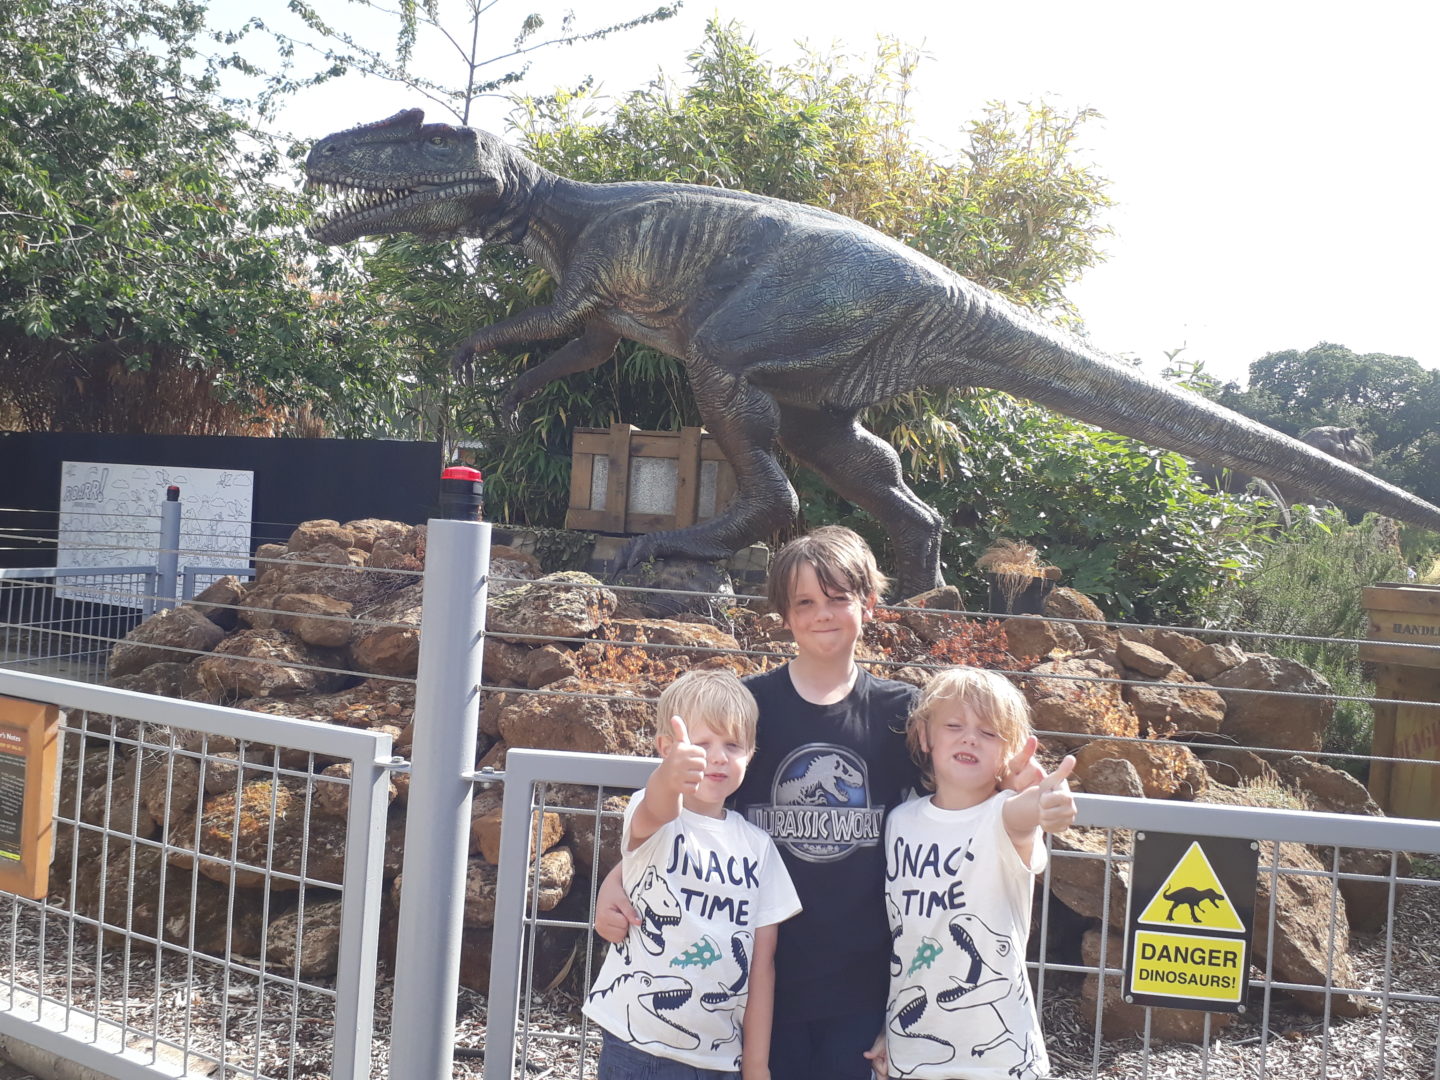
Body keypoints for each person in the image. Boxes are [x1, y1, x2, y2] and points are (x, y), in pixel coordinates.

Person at [596, 526, 1073, 1079]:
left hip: (860, 986)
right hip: (754, 985)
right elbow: (682, 815)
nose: (822, 613)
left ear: (868, 604)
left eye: (838, 598)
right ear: (784, 614)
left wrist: (1018, 789)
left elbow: (963, 815)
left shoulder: (905, 716)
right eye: (805, 601)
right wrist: (619, 876)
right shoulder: (746, 710)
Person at [582, 668, 801, 1080]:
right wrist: (669, 775)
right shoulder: (656, 817)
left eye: (733, 745)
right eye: (701, 744)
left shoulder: (759, 846)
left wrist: (756, 1064)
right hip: (637, 1045)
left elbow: (762, 963)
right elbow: (657, 805)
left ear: (751, 753)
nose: (717, 756)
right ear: (667, 748)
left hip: (720, 1057)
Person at [868, 667, 1074, 1080]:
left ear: (1010, 749)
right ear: (926, 736)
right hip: (912, 1052)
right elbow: (905, 948)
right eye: (954, 725)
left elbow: (1029, 811)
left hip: (1001, 1061)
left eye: (989, 732)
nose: (970, 738)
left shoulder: (1003, 817)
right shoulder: (899, 821)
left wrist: (1049, 801)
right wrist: (888, 1030)